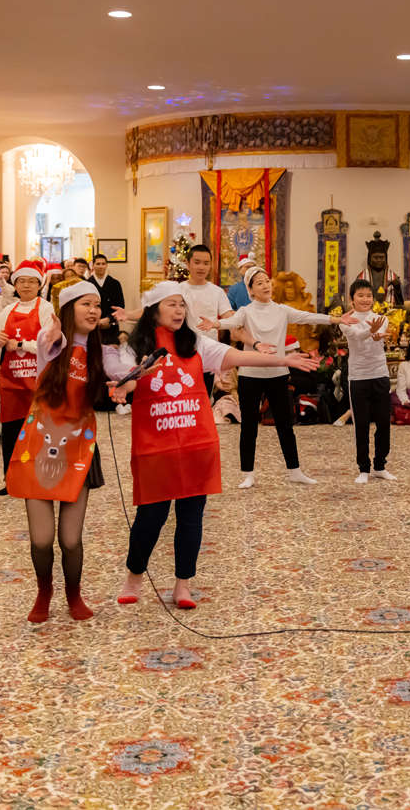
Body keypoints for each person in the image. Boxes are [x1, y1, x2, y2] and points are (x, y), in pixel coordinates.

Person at [107, 281, 319, 608]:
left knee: (191, 516)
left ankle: (183, 584)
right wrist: (128, 384)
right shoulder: (136, 348)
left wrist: (284, 361)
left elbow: (236, 356)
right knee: (151, 516)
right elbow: (125, 378)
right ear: (153, 310)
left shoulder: (195, 343)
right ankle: (134, 576)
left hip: (196, 444)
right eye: (171, 304)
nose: (179, 310)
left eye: (182, 305)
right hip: (156, 447)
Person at [4, 282, 107, 623]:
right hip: (37, 447)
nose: (93, 311)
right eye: (86, 304)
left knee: (70, 539)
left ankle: (74, 594)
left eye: (97, 305)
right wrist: (54, 329)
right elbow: (49, 339)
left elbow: (126, 375)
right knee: (42, 539)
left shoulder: (101, 352)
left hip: (78, 449)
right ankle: (44, 591)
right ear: (68, 310)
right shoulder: (52, 343)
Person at [197, 266, 349, 487]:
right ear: (251, 290)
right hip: (250, 374)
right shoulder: (246, 311)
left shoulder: (281, 310)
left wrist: (336, 320)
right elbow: (232, 322)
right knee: (249, 426)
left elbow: (308, 316)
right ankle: (248, 474)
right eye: (259, 283)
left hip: (278, 373)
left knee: (285, 424)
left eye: (267, 281)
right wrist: (215, 324)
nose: (265, 285)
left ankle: (294, 470)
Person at [0, 260, 54, 494]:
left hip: (38, 382)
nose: (26, 285)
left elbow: (50, 343)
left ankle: (41, 478)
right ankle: (11, 480)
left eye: (32, 281)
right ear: (15, 284)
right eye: (22, 281)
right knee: (12, 432)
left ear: (39, 284)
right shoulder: (8, 310)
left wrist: (22, 344)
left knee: (39, 432)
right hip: (12, 383)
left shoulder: (46, 309)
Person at [338, 279, 394, 483]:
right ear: (352, 298)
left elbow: (378, 335)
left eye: (368, 295)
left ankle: (380, 466)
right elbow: (357, 337)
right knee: (361, 424)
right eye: (360, 295)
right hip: (358, 376)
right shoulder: (346, 320)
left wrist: (377, 335)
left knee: (383, 423)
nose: (365, 299)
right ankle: (363, 469)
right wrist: (371, 332)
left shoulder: (381, 318)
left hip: (380, 374)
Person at [179, 245, 233, 394]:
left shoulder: (217, 292)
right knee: (184, 395)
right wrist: (129, 315)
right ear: (188, 263)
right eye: (197, 262)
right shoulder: (179, 289)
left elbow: (229, 317)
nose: (201, 267)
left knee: (205, 396)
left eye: (206, 263)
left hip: (209, 354)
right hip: (184, 351)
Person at [353, 233, 404, 306]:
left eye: (381, 257)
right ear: (370, 259)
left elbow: (400, 303)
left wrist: (397, 287)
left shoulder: (393, 277)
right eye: (376, 257)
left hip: (389, 310)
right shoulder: (362, 277)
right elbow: (356, 299)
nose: (379, 260)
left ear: (386, 258)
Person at [87, 254, 125, 345]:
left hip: (111, 326)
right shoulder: (87, 284)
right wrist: (97, 321)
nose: (101, 266)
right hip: (92, 325)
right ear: (93, 266)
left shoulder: (115, 283)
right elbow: (85, 306)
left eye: (103, 264)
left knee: (112, 350)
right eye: (98, 264)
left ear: (106, 265)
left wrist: (109, 319)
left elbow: (120, 305)